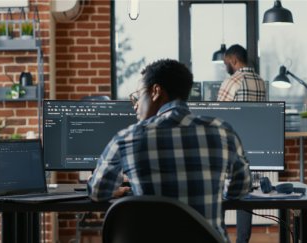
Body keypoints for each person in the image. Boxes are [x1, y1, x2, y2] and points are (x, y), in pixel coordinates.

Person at [88, 59, 251, 242]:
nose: (135, 105)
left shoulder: (126, 138)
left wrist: (118, 189)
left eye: (138, 96)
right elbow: (241, 188)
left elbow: (97, 192)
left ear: (156, 91)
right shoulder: (223, 132)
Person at [217, 44, 267, 243]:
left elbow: (218, 114)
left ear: (234, 60)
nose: (226, 67)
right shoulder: (261, 81)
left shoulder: (232, 81)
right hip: (254, 144)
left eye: (226, 63)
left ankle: (218, 237)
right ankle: (242, 241)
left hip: (230, 146)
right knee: (246, 192)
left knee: (220, 192)